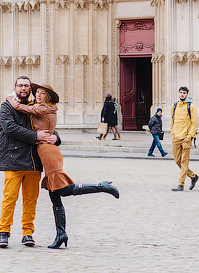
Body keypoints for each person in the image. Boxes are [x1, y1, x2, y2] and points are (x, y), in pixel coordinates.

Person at [7, 82, 119, 249]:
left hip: (48, 152)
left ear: (48, 97)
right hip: (47, 149)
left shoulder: (45, 107)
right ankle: (61, 233)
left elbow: (25, 109)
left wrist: (11, 99)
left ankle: (100, 186)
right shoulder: (45, 107)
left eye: (42, 93)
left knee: (63, 190)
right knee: (54, 195)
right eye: (37, 92)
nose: (38, 95)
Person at [0, 76, 57, 249]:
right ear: (15, 87)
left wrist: (56, 138)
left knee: (31, 199)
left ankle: (27, 233)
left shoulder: (35, 108)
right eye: (20, 85)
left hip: (33, 159)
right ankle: (4, 232)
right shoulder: (7, 106)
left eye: (26, 86)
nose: (23, 88)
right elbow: (10, 128)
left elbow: (49, 126)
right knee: (10, 198)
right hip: (13, 159)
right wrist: (35, 136)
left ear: (30, 89)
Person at [170, 86, 199, 191]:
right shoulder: (174, 106)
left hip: (186, 138)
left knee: (184, 162)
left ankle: (180, 184)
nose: (182, 94)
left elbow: (194, 123)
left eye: (184, 93)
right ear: (178, 93)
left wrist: (189, 136)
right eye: (181, 92)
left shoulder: (191, 107)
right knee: (177, 160)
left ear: (187, 94)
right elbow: (172, 120)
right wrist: (172, 133)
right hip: (176, 137)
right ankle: (193, 176)